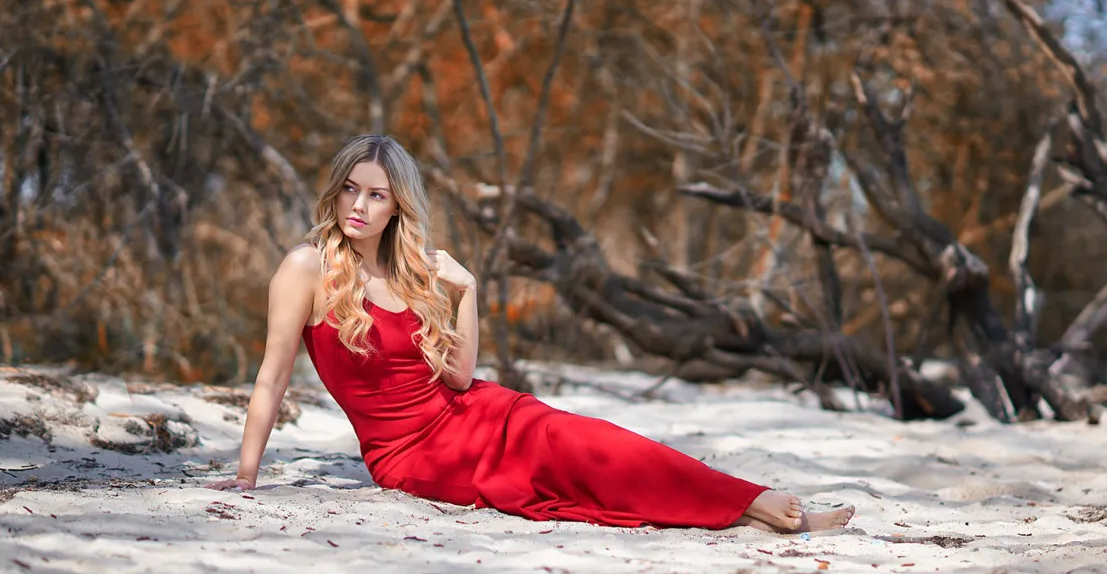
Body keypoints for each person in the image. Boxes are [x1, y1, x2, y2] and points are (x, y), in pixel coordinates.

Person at [208, 134, 855, 534]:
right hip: (414, 458)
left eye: (376, 195)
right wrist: (246, 477)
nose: (358, 204)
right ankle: (747, 507)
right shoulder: (306, 268)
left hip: (477, 409)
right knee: (562, 476)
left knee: (590, 442)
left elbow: (459, 377)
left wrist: (468, 293)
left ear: (397, 206)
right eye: (350, 188)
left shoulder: (411, 272)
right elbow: (270, 377)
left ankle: (750, 502)